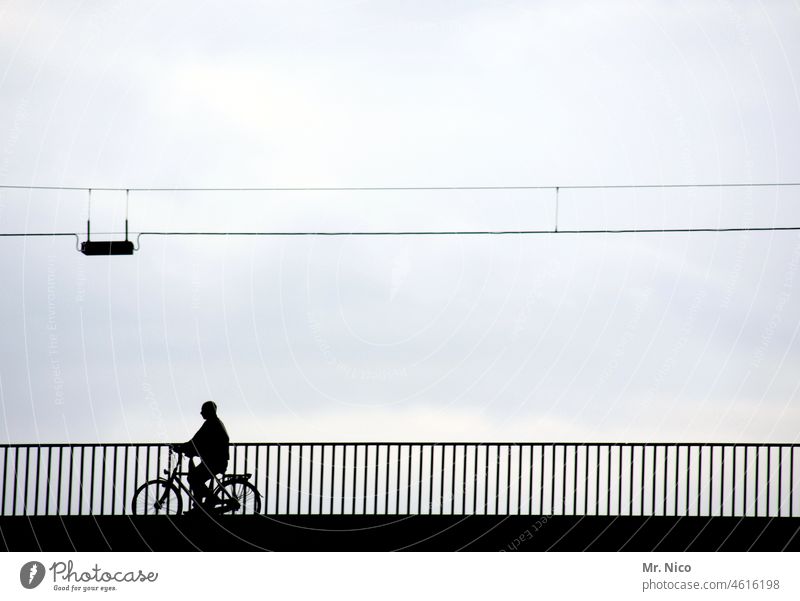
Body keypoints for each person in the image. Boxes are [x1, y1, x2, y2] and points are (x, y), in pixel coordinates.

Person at [171, 401, 230, 511]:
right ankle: (199, 506)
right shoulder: (214, 422)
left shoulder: (211, 424)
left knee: (193, 478)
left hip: (215, 462)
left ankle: (211, 500)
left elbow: (196, 441)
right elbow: (198, 441)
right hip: (216, 460)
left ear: (208, 411)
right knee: (195, 477)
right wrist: (186, 448)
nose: (201, 413)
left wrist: (181, 447)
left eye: (203, 410)